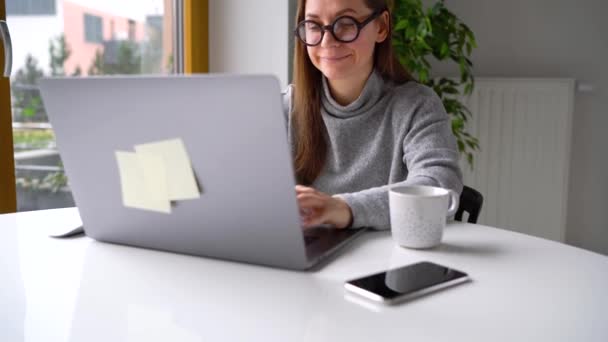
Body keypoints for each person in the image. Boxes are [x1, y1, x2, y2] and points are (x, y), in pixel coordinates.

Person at [284, 0, 463, 230]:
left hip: (391, 261)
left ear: (381, 26)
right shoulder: (285, 108)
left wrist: (343, 208)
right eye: (314, 25)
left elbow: (439, 186)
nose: (327, 40)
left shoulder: (417, 106)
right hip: (308, 260)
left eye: (346, 23)